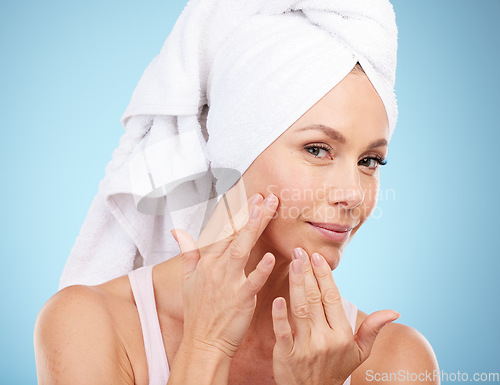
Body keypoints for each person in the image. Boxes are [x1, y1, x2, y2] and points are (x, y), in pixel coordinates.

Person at [35, 1, 440, 384]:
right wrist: (205, 346)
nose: (353, 193)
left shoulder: (392, 360)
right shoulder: (91, 324)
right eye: (317, 149)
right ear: (236, 152)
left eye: (370, 161)